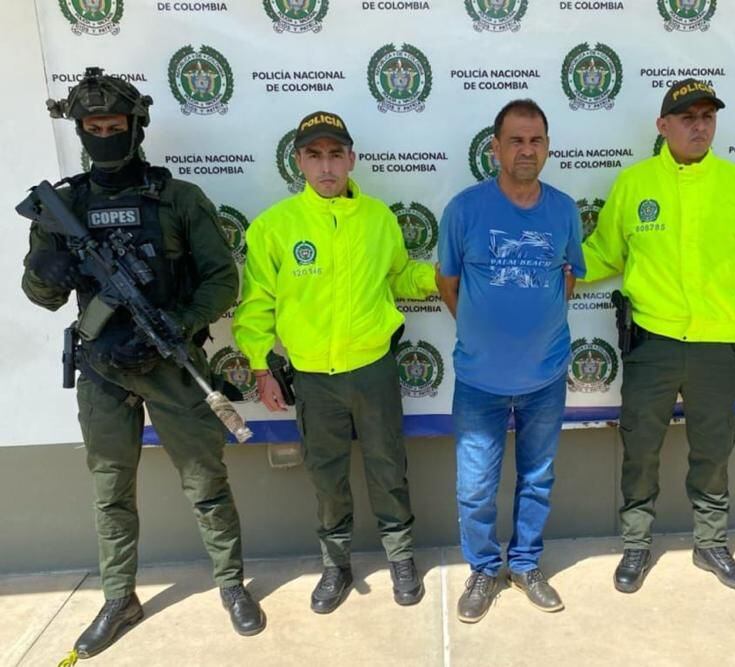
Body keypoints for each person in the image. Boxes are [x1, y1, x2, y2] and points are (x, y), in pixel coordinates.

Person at [20, 68, 264, 658]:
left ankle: (231, 585)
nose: (104, 135)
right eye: (93, 126)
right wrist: (42, 274)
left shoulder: (179, 199)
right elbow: (43, 293)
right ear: (80, 131)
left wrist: (173, 328)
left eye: (114, 125)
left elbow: (221, 281)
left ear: (136, 128)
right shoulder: (64, 204)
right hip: (102, 371)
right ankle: (118, 596)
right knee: (110, 490)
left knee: (205, 482)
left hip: (172, 367)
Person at [232, 110, 436, 612]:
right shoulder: (275, 227)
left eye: (335, 154)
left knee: (389, 466)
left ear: (351, 158)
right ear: (298, 161)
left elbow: (401, 277)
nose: (326, 166)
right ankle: (335, 565)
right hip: (313, 377)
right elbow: (257, 303)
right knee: (327, 475)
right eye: (314, 155)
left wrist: (445, 276)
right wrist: (261, 365)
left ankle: (401, 557)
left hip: (372, 368)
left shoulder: (378, 219)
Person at [581, 79, 735, 593]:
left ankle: (711, 543)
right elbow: (604, 252)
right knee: (641, 446)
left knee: (713, 448)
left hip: (720, 346)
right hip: (654, 342)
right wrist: (553, 270)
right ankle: (635, 544)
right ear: (663, 126)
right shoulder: (635, 183)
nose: (699, 126)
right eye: (687, 117)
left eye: (707, 116)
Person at [437, 99, 585, 623]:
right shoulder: (464, 209)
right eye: (516, 140)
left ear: (547, 147)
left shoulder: (564, 210)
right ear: (495, 148)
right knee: (475, 485)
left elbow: (569, 275)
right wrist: (482, 328)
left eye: (536, 140)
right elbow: (446, 280)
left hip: (546, 376)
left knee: (538, 476)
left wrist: (534, 329)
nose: (527, 150)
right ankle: (483, 568)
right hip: (479, 378)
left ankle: (525, 564)